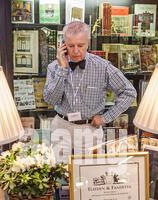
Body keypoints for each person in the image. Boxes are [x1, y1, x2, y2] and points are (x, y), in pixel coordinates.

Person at [43, 21, 137, 163]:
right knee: (59, 173)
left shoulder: (103, 67)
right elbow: (51, 100)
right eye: (70, 46)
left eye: (80, 45)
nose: (75, 51)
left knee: (89, 174)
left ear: (88, 43)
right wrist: (62, 70)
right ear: (63, 45)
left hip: (90, 128)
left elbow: (129, 92)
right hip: (61, 126)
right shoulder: (53, 67)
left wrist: (105, 118)